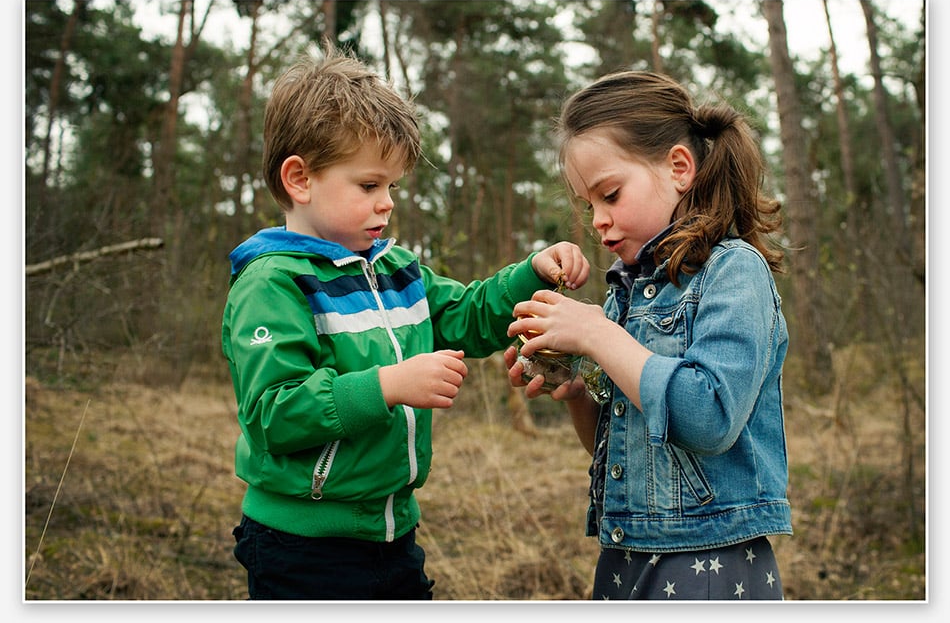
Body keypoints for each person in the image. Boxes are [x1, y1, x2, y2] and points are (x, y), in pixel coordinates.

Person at [221, 48, 590, 600]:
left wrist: (529, 273)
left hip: (393, 534)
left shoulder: (396, 270)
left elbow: (464, 316)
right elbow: (274, 411)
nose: (387, 203)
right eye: (369, 186)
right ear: (299, 179)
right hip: (300, 546)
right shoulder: (271, 283)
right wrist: (388, 385)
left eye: (392, 187)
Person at [505, 70, 792, 600]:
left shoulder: (734, 272)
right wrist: (577, 390)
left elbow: (709, 419)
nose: (597, 221)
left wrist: (596, 334)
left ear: (678, 168)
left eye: (609, 194)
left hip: (711, 558)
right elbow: (623, 448)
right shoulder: (625, 294)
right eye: (588, 204)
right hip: (625, 553)